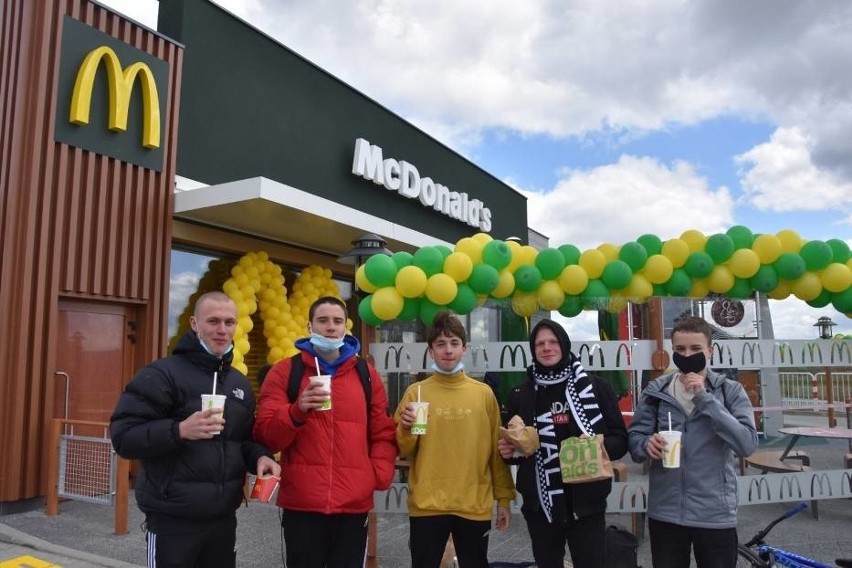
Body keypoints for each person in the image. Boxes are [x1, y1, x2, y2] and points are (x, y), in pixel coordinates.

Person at [110, 291, 279, 568]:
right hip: (172, 520)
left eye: (229, 322)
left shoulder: (238, 383)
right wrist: (179, 430)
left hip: (223, 519)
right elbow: (124, 438)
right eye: (213, 321)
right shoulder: (162, 374)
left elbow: (243, 440)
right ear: (194, 323)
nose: (222, 330)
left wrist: (260, 457)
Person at [253, 296, 397, 568]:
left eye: (337, 321)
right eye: (323, 320)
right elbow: (265, 435)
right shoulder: (286, 371)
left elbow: (383, 432)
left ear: (346, 327)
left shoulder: (366, 374)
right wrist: (297, 411)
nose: (330, 327)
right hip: (303, 502)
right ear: (309, 326)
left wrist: (375, 475)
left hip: (353, 503)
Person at [628, 315, 758, 568]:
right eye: (680, 349)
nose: (687, 355)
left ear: (710, 350)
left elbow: (747, 444)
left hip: (714, 514)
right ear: (672, 351)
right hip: (665, 513)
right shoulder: (657, 391)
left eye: (695, 349)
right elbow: (635, 440)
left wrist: (705, 398)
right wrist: (646, 444)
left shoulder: (729, 391)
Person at [497, 318, 628, 568]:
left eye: (553, 342)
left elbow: (620, 440)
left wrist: (595, 448)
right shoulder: (520, 394)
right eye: (539, 344)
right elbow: (515, 450)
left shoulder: (595, 388)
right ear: (533, 350)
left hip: (586, 504)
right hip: (540, 505)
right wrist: (508, 451)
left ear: (564, 345)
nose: (546, 348)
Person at [395, 311, 515, 568]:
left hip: (473, 504)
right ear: (430, 351)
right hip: (427, 505)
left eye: (454, 343)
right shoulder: (416, 393)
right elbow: (405, 449)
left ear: (464, 349)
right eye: (440, 344)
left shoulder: (483, 394)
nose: (447, 350)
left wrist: (503, 499)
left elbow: (497, 451)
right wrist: (405, 428)